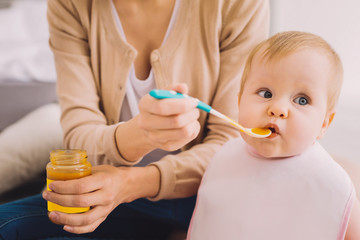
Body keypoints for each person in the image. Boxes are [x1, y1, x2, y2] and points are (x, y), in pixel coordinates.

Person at [0, 0, 270, 239]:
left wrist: (131, 183)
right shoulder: (71, 5)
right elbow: (79, 135)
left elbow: (231, 143)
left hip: (200, 196)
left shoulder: (237, 5)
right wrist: (140, 135)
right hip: (107, 197)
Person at [186, 31, 360, 240]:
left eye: (301, 100)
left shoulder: (331, 184)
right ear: (240, 103)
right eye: (266, 93)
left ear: (324, 124)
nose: (277, 108)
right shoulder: (225, 158)